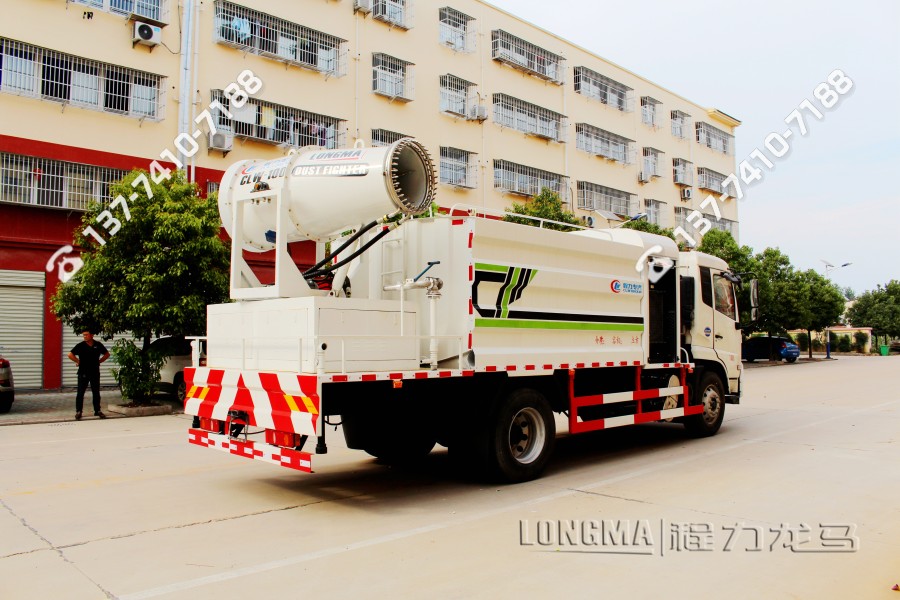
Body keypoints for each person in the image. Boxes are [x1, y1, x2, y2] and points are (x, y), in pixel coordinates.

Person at [67, 330, 110, 420]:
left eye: (86, 335)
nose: (85, 336)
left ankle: (97, 410)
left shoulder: (98, 345)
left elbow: (107, 354)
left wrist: (99, 361)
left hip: (95, 372)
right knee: (80, 392)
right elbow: (70, 354)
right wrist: (78, 361)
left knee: (96, 392)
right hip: (83, 372)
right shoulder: (81, 345)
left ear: (92, 335)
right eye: (83, 335)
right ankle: (79, 411)